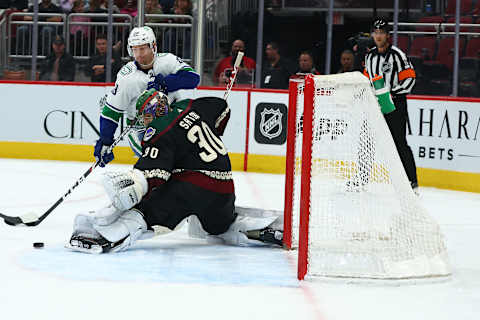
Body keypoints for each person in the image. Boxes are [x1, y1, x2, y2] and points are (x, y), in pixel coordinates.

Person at [66, 89, 283, 253]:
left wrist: (132, 182)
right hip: (224, 188)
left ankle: (104, 238)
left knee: (144, 212)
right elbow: (222, 108)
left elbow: (153, 175)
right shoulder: (192, 106)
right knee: (220, 226)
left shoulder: (158, 130)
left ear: (154, 110)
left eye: (145, 115)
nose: (144, 122)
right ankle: (260, 229)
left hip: (190, 188)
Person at [93, 26, 200, 169]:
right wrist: (105, 141)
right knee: (158, 167)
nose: (138, 54)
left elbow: (193, 79)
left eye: (142, 48)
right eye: (134, 49)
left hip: (173, 120)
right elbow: (111, 111)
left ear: (153, 46)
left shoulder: (168, 61)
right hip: (142, 130)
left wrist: (165, 83)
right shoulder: (127, 78)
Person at [363, 18, 418, 193]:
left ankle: (412, 182)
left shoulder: (397, 54)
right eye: (376, 33)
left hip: (395, 105)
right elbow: (367, 80)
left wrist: (393, 93)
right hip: (376, 106)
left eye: (382, 33)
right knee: (367, 141)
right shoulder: (370, 56)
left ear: (388, 35)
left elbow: (410, 78)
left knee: (399, 143)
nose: (378, 36)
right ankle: (361, 179)